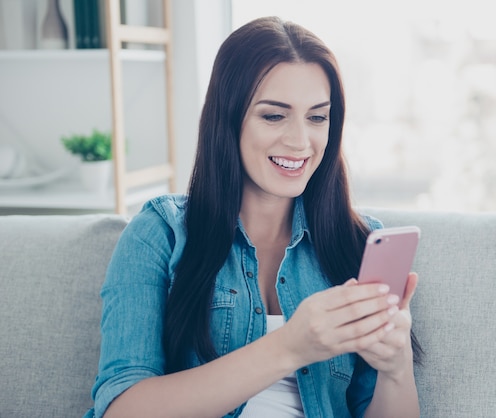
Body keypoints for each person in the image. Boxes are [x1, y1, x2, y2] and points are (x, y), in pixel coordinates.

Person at [85, 16, 422, 418]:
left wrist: (396, 367)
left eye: (317, 117)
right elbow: (121, 410)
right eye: (274, 116)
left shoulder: (356, 245)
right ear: (228, 119)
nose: (300, 141)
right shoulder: (161, 234)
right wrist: (289, 346)